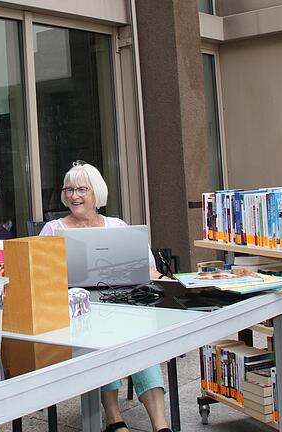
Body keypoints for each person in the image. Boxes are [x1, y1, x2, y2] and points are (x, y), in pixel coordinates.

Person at [39, 161, 170, 432]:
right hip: (76, 316)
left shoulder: (117, 225)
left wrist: (174, 281)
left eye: (81, 189)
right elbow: (40, 277)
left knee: (141, 342)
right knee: (102, 336)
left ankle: (161, 426)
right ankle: (113, 417)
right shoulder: (53, 230)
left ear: (96, 192)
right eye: (69, 189)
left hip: (124, 308)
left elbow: (147, 269)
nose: (74, 196)